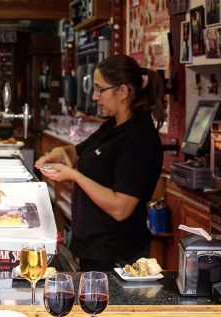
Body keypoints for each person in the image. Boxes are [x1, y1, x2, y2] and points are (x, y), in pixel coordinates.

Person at [35, 54, 166, 271]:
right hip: (93, 248)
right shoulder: (112, 126)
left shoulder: (139, 138)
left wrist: (73, 175)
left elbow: (120, 208)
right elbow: (76, 152)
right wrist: (58, 153)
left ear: (123, 91)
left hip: (117, 254)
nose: (95, 97)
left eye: (100, 89)